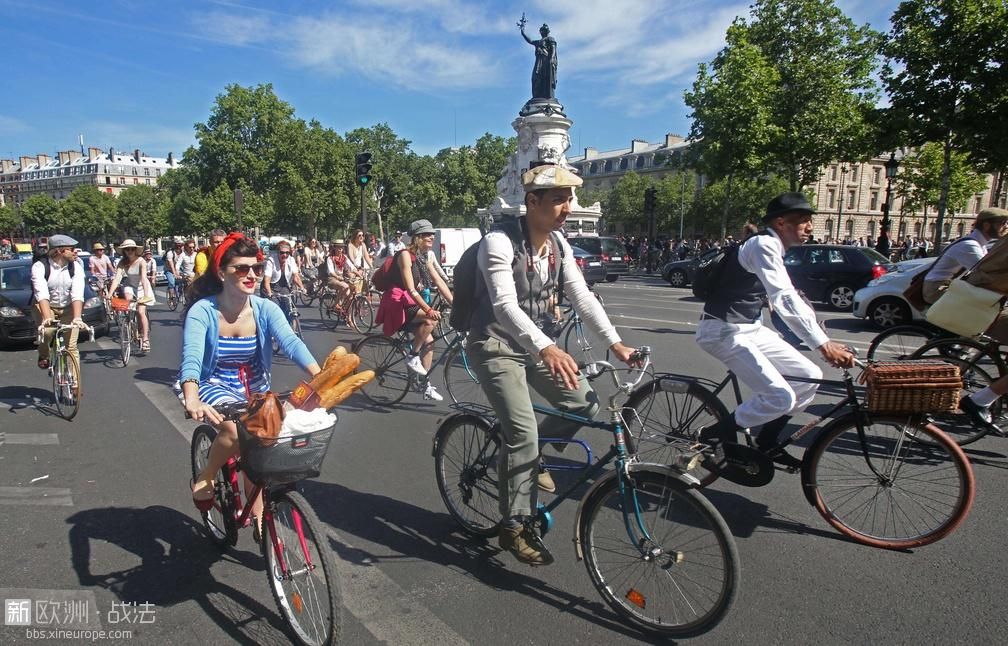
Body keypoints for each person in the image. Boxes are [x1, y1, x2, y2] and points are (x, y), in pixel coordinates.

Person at [468, 165, 637, 566]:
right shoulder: (499, 242)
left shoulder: (558, 245)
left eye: (570, 198)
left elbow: (582, 297)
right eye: (559, 199)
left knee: (585, 402)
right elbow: (505, 306)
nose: (568, 207)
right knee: (523, 429)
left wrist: (615, 344)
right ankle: (514, 524)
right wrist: (546, 347)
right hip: (493, 344)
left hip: (532, 347)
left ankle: (531, 455)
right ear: (532, 202)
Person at [696, 192, 855, 474]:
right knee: (780, 397)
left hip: (749, 328)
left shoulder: (772, 247)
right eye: (803, 221)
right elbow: (784, 299)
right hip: (722, 331)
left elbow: (787, 299)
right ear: (781, 222)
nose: (810, 227)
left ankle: (767, 441)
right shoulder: (763, 245)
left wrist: (821, 337)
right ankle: (713, 434)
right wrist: (822, 344)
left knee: (810, 376)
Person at [183, 233, 320, 519]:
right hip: (214, 383)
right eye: (241, 269)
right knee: (234, 431)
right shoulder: (203, 311)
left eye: (257, 269)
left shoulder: (265, 308)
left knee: (261, 449)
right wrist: (192, 397)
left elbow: (291, 343)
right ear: (221, 272)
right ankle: (206, 476)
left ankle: (260, 524)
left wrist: (320, 375)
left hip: (255, 387)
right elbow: (193, 357)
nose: (252, 275)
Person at [375, 219, 454, 402]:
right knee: (431, 319)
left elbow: (438, 280)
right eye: (427, 234)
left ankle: (424, 383)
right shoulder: (404, 255)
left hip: (409, 302)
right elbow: (410, 289)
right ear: (417, 237)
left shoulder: (423, 257)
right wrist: (428, 309)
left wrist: (455, 303)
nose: (431, 237)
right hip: (397, 303)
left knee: (430, 341)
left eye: (432, 234)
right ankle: (412, 356)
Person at [922, 208, 1007, 304]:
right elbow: (985, 274)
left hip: (945, 285)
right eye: (1002, 223)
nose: (1006, 226)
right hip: (937, 288)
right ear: (986, 225)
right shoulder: (969, 245)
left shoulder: (978, 243)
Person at [31, 234, 86, 370]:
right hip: (46, 306)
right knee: (48, 332)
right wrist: (47, 318)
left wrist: (78, 318)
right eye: (72, 249)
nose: (76, 252)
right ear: (59, 251)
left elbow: (77, 293)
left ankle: (74, 384)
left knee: (71, 346)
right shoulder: (40, 267)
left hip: (68, 307)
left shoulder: (76, 267)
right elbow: (41, 293)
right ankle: (44, 354)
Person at [108, 239, 155, 353]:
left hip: (141, 286)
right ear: (124, 251)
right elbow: (117, 279)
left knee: (141, 311)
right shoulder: (122, 263)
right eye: (127, 249)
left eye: (132, 249)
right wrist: (109, 294)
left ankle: (145, 339)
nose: (129, 251)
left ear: (135, 250)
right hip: (130, 285)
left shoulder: (141, 261)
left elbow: (143, 278)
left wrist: (145, 294)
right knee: (128, 301)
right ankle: (129, 323)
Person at [261, 239, 305, 325]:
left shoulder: (291, 260)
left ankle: (291, 330)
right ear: (278, 252)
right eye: (282, 252)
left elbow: (296, 277)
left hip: (284, 287)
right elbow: (267, 280)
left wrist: (302, 288)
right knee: (275, 309)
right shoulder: (271, 260)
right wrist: (269, 293)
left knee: (289, 306)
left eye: (287, 253)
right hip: (271, 287)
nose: (284, 255)